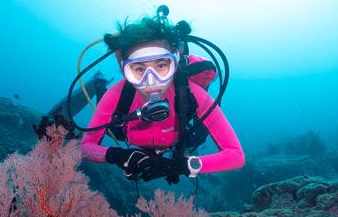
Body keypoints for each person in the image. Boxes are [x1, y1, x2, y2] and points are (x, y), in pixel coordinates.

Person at [80, 15, 245, 184]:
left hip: (179, 137)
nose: (151, 82)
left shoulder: (193, 94)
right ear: (125, 70)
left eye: (161, 66)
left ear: (175, 63)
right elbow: (85, 148)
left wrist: (182, 166)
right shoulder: (118, 93)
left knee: (197, 137)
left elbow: (236, 155)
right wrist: (119, 155)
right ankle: (99, 84)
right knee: (112, 126)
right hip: (127, 131)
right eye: (138, 69)